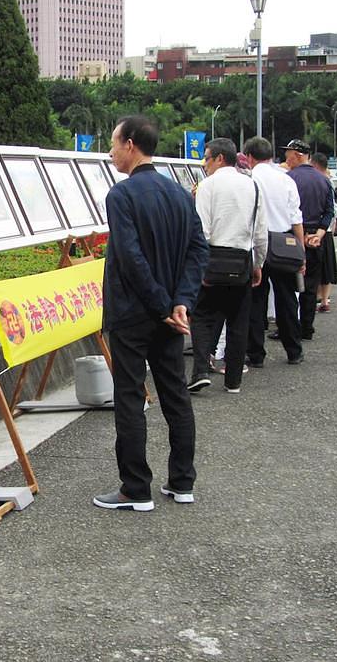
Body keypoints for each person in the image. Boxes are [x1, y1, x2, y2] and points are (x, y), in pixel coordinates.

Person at [94, 115, 208, 512]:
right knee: (175, 394)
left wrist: (162, 305)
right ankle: (182, 482)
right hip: (171, 314)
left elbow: (130, 257)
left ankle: (135, 487)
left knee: (129, 397)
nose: (111, 152)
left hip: (133, 312)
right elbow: (198, 250)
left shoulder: (121, 196)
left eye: (113, 143)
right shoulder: (179, 193)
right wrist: (181, 302)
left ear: (130, 144)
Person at [188, 138, 266, 394]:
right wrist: (258, 263)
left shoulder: (207, 186)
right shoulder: (252, 186)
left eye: (207, 158)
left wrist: (198, 265)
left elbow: (202, 230)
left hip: (213, 258)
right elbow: (260, 231)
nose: (205, 164)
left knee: (201, 315)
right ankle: (233, 381)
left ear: (220, 158)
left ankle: (200, 370)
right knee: (238, 320)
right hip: (242, 259)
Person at [243, 136, 306, 366]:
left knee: (255, 299)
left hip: (255, 243)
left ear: (249, 157)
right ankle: (294, 350)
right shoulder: (286, 179)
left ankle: (256, 354)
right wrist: (301, 252)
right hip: (284, 242)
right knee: (287, 298)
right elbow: (296, 218)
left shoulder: (248, 179)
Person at [284, 139, 335, 341]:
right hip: (315, 237)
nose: (286, 158)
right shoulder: (324, 180)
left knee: (289, 286)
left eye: (288, 153)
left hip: (292, 235)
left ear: (298, 155)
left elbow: (286, 210)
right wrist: (320, 233)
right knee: (311, 285)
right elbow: (329, 211)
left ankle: (289, 328)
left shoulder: (289, 179)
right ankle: (307, 327)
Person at [310, 152, 337, 313]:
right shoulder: (328, 181)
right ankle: (325, 300)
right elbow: (334, 210)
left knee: (315, 267)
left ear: (314, 164)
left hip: (316, 229)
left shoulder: (319, 181)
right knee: (326, 268)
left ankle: (317, 297)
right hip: (326, 230)